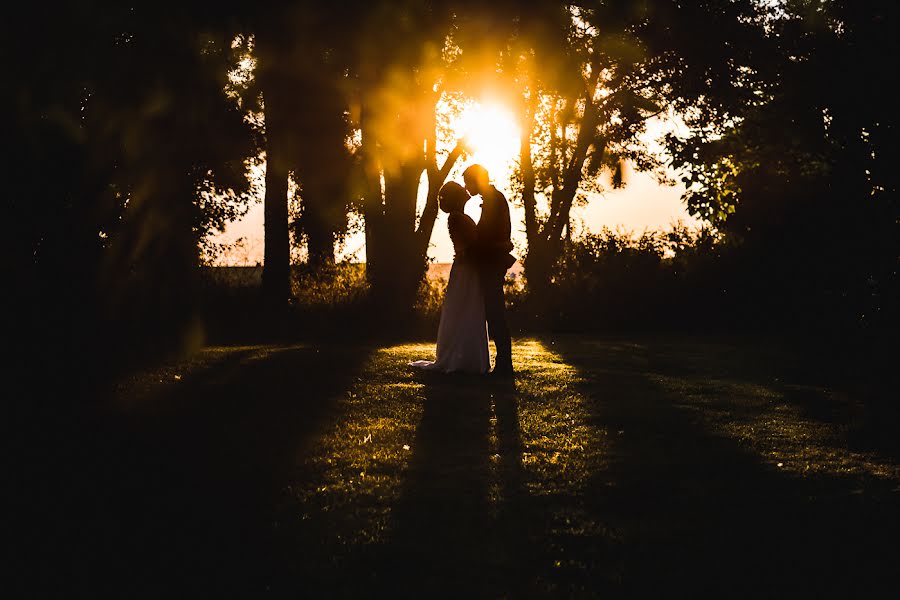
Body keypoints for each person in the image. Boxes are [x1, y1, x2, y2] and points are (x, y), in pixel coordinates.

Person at [409, 181, 490, 374]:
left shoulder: (458, 217)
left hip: (466, 268)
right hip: (466, 269)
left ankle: (465, 357)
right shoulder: (458, 218)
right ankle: (463, 358)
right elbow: (470, 245)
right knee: (465, 308)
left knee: (466, 309)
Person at [462, 164, 515, 377]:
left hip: (492, 264)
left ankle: (504, 364)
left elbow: (488, 237)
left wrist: (469, 251)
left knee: (495, 313)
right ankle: (503, 362)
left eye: (468, 182)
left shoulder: (494, 200)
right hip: (492, 262)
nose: (466, 187)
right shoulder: (493, 198)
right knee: (493, 312)